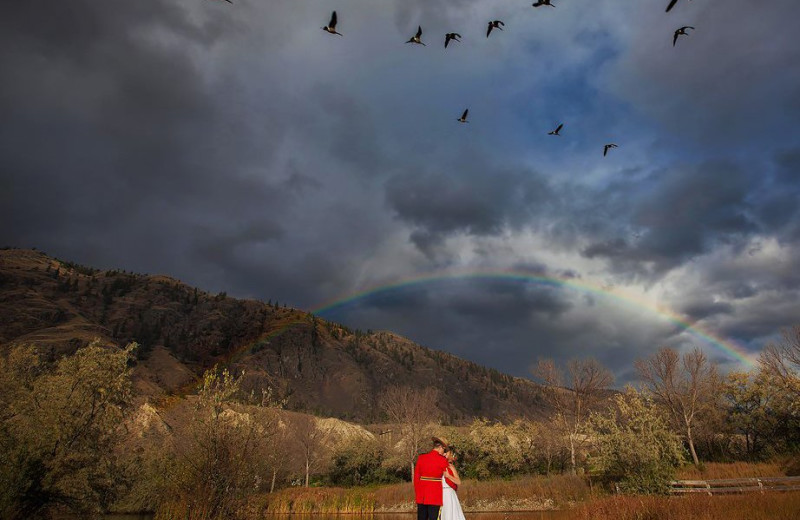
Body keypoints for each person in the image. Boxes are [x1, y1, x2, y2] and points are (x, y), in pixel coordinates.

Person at [414, 436, 450, 520]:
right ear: (440, 447)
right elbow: (448, 477)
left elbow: (416, 478)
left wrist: (418, 495)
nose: (444, 452)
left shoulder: (421, 458)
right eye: (444, 449)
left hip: (421, 495)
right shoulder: (442, 460)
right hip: (435, 495)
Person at [441, 446, 465, 520]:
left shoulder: (451, 466)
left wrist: (448, 476)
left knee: (451, 514)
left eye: (447, 453)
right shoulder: (438, 465)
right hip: (440, 493)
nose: (445, 455)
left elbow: (458, 482)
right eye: (445, 453)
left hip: (449, 493)